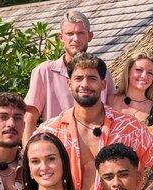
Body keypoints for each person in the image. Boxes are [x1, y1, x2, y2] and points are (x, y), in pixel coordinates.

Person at [37, 52, 153, 190]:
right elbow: (31, 172)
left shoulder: (129, 127)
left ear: (103, 84)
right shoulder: (50, 131)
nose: (85, 84)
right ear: (69, 84)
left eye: (92, 78)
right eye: (79, 78)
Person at [23, 10, 115, 141]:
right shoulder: (45, 71)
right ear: (61, 37)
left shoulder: (102, 72)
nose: (75, 39)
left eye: (80, 33)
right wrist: (28, 150)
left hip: (96, 145)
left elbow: (113, 112)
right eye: (70, 34)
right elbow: (29, 118)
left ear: (90, 36)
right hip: (56, 148)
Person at [108, 53, 153, 123]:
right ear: (128, 72)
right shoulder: (109, 100)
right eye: (139, 70)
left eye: (150, 73)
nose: (144, 76)